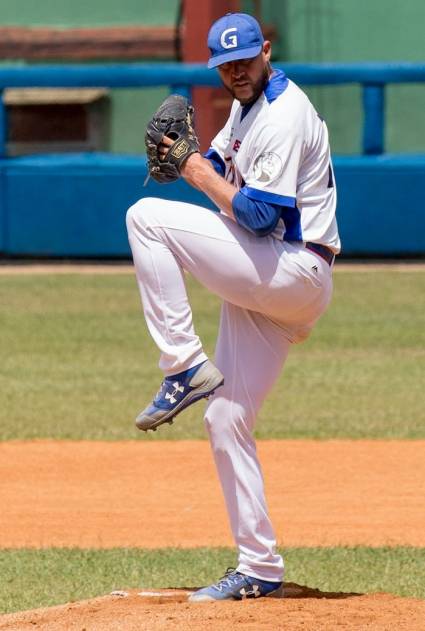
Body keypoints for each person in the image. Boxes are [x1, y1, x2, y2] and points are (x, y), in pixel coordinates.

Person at [126, 12, 340, 602]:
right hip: (270, 279)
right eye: (227, 65)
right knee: (225, 418)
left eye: (246, 58)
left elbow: (258, 215)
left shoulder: (284, 111)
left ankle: (182, 364)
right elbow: (219, 172)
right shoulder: (245, 111)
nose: (238, 71)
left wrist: (190, 168)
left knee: (144, 219)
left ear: (265, 49)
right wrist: (190, 161)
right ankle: (259, 568)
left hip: (292, 267)